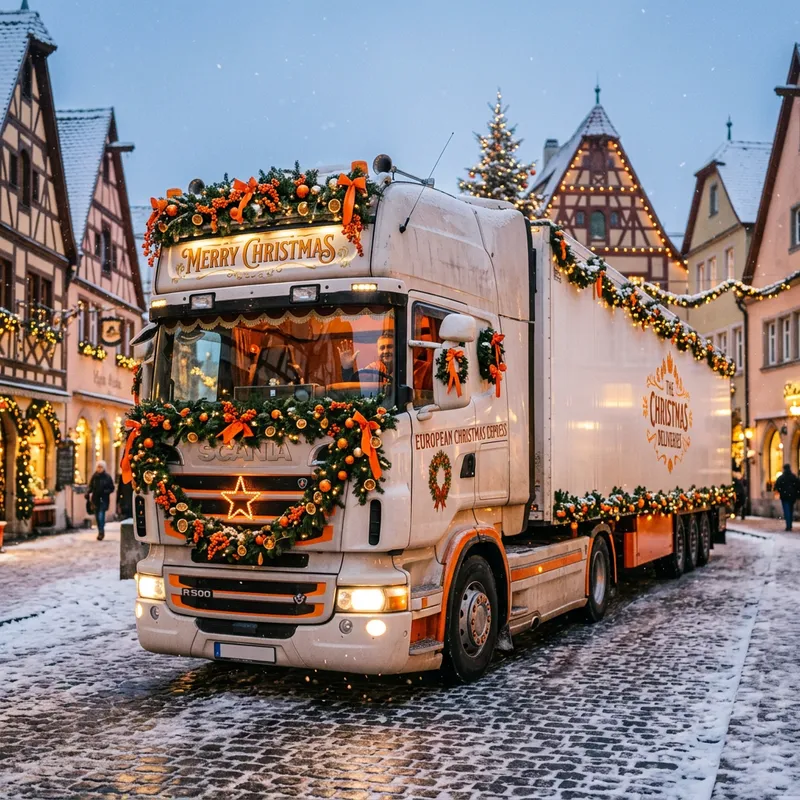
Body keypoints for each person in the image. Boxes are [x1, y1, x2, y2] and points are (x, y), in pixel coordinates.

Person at [88, 461, 115, 540]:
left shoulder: (107, 477)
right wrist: (88, 493)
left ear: (104, 468)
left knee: (101, 515)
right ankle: (100, 530)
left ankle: (101, 532)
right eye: (98, 467)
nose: (99, 469)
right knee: (97, 516)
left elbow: (112, 488)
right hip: (95, 499)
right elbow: (90, 486)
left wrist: (105, 491)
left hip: (104, 499)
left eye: (101, 467)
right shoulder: (94, 477)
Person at [773, 463, 800, 531]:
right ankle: (789, 524)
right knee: (790, 511)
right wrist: (795, 493)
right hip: (792, 497)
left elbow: (777, 486)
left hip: (784, 497)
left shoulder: (781, 477)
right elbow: (798, 485)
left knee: (787, 511)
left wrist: (781, 491)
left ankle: (788, 525)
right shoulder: (793, 477)